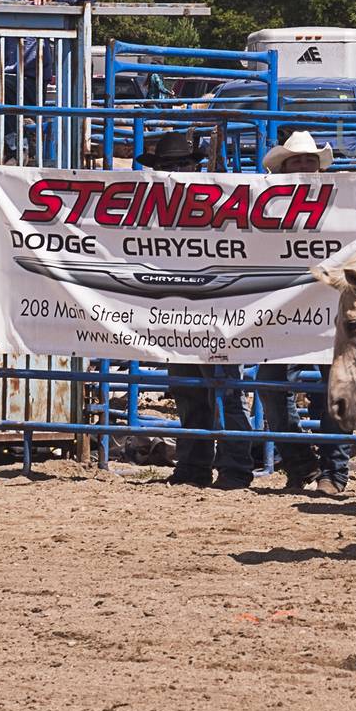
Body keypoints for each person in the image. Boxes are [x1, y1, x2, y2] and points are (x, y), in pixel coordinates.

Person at [146, 130, 257, 489]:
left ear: (194, 167)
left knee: (223, 391)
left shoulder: (216, 199)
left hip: (216, 310)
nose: (175, 171)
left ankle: (234, 467)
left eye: (181, 164)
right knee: (189, 391)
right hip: (177, 310)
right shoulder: (151, 206)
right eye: (169, 166)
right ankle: (196, 465)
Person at [258, 130, 351, 495]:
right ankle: (304, 465)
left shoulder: (340, 203)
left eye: (309, 162)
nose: (304, 167)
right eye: (297, 161)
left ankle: (332, 471)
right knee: (271, 387)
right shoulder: (265, 204)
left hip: (327, 308)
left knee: (335, 389)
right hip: (282, 309)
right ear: (283, 168)